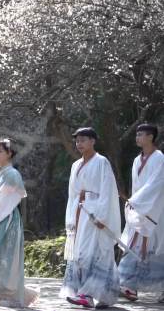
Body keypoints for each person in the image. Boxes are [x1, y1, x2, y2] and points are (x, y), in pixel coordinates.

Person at [61, 127, 121, 308]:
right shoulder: (75, 165)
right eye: (77, 140)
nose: (79, 143)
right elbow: (72, 194)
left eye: (83, 140)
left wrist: (102, 216)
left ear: (93, 141)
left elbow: (108, 191)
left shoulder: (102, 162)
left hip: (94, 213)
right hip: (79, 213)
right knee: (80, 254)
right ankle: (93, 294)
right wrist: (70, 218)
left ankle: (91, 295)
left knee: (95, 253)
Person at [0, 138, 37, 307]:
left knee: (7, 257)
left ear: (9, 153)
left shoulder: (13, 174)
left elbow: (9, 200)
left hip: (7, 219)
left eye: (0, 151)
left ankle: (11, 296)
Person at [118, 123, 164, 302]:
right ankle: (129, 286)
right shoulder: (137, 160)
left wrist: (136, 201)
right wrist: (134, 204)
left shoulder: (160, 158)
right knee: (134, 244)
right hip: (140, 209)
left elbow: (156, 184)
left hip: (156, 208)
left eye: (141, 134)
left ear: (151, 137)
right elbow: (137, 186)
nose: (137, 137)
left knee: (159, 247)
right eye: (136, 134)